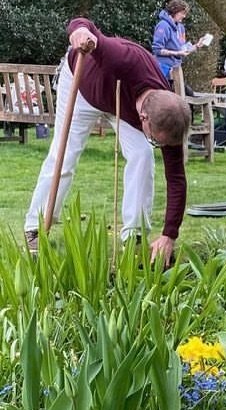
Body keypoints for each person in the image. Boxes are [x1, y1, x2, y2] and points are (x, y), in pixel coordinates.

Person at [24, 18, 192, 266]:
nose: (161, 146)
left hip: (121, 102)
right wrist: (80, 32)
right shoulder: (122, 58)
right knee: (64, 154)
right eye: (157, 140)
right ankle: (35, 229)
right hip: (82, 85)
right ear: (143, 119)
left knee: (143, 155)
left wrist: (169, 234)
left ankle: (133, 237)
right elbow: (82, 23)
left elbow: (176, 176)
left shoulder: (171, 116)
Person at [152, 0, 208, 82]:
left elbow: (183, 50)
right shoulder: (163, 26)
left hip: (176, 70)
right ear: (175, 11)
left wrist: (197, 46)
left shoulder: (180, 27)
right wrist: (177, 53)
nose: (184, 16)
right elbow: (157, 50)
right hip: (163, 69)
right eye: (182, 13)